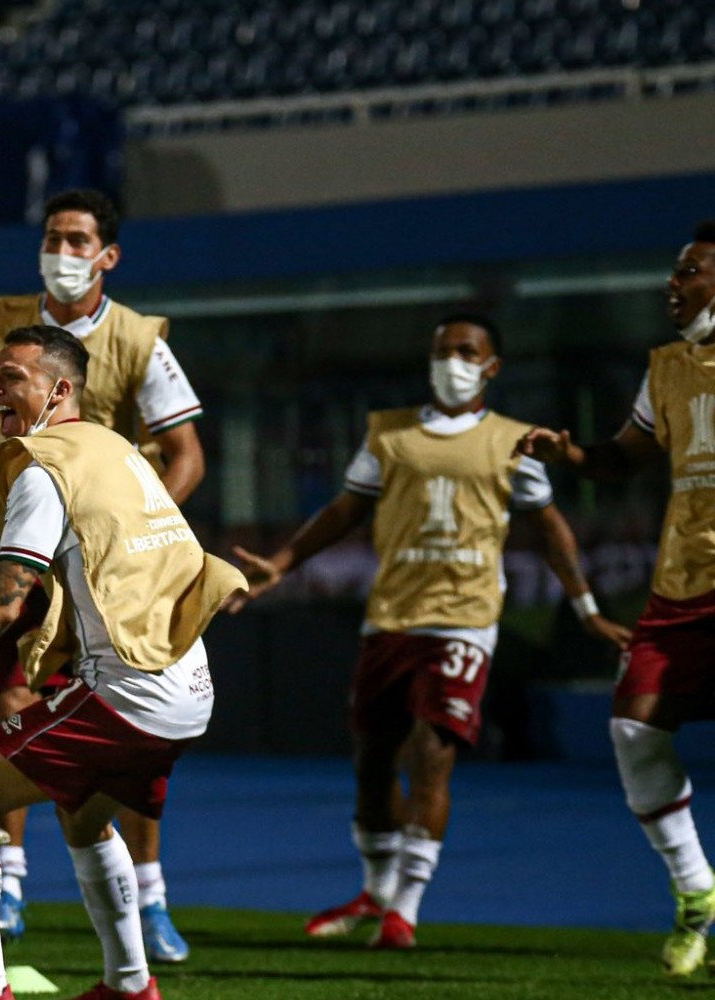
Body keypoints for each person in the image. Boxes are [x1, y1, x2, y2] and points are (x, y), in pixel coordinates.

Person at [229, 314, 629, 949]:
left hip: (465, 620)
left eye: (467, 351)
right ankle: (377, 890)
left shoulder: (515, 440)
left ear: (492, 367)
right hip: (391, 615)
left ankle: (405, 909)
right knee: (371, 760)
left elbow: (549, 527)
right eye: (442, 350)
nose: (452, 360)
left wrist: (585, 609)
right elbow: (344, 510)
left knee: (431, 754)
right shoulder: (389, 433)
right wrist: (278, 565)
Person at [0, 326, 244, 1000]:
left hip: (131, 693)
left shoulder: (43, 469)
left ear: (60, 388)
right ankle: (130, 984)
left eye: (12, 376)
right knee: (81, 813)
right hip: (190, 684)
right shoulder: (118, 449)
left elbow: (1, 606)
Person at [0, 188, 204, 959]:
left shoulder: (140, 338)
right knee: (14, 694)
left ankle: (150, 899)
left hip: (111, 563)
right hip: (17, 545)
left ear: (106, 255)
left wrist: (130, 522)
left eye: (78, 238)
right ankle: (12, 878)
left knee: (131, 722)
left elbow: (187, 455)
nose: (62, 248)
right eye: (53, 234)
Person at [517, 220, 715, 978]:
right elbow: (625, 459)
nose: (674, 282)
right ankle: (697, 892)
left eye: (691, 270)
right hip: (681, 585)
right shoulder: (665, 367)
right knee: (635, 730)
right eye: (674, 270)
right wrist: (569, 453)